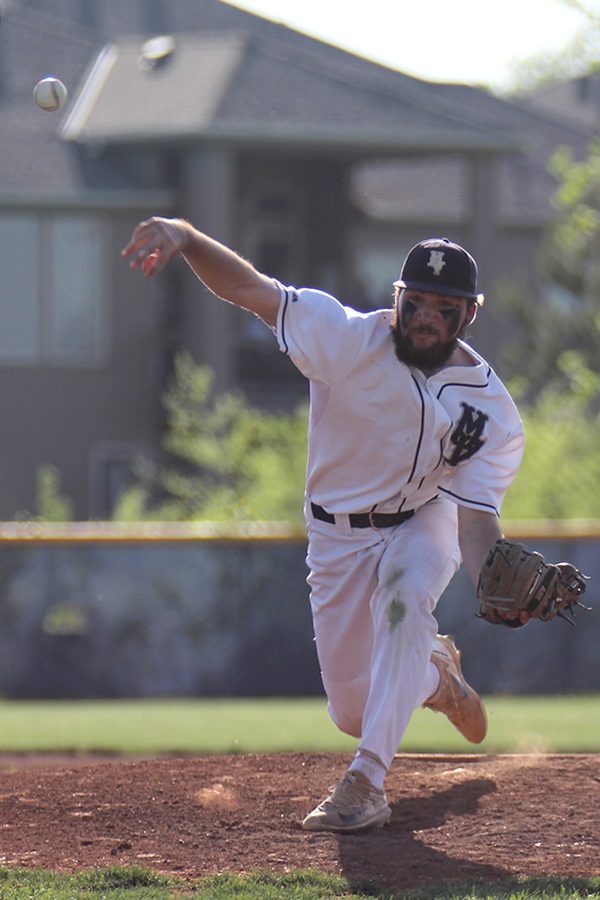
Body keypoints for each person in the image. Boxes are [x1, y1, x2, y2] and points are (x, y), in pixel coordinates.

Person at [122, 220, 525, 833]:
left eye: (445, 307)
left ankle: (366, 782)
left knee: (404, 600)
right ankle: (434, 677)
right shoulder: (346, 339)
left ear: (471, 313)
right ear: (396, 297)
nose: (426, 315)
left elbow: (476, 520)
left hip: (424, 519)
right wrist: (187, 237)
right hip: (337, 537)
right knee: (353, 709)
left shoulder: (490, 409)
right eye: (415, 300)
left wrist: (492, 581)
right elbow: (253, 292)